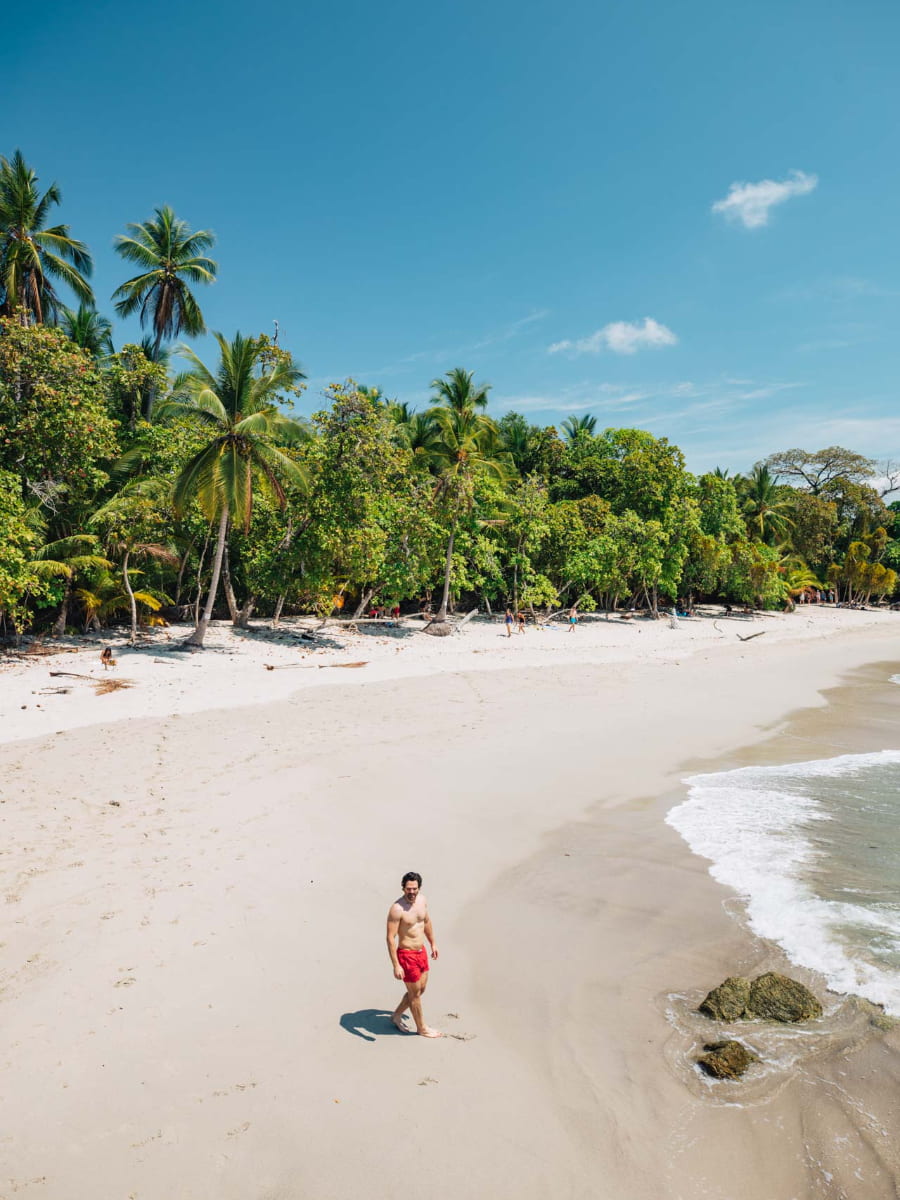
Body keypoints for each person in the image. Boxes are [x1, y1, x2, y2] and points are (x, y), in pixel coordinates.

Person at [386, 871, 441, 1037]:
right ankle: (422, 1028)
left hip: (421, 952)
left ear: (419, 888)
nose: (411, 892)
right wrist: (396, 965)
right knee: (415, 994)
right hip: (407, 955)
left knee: (420, 989)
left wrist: (433, 943)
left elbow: (426, 921)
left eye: (414, 889)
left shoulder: (423, 901)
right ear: (403, 888)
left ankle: (396, 1016)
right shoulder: (397, 909)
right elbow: (390, 937)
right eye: (408, 889)